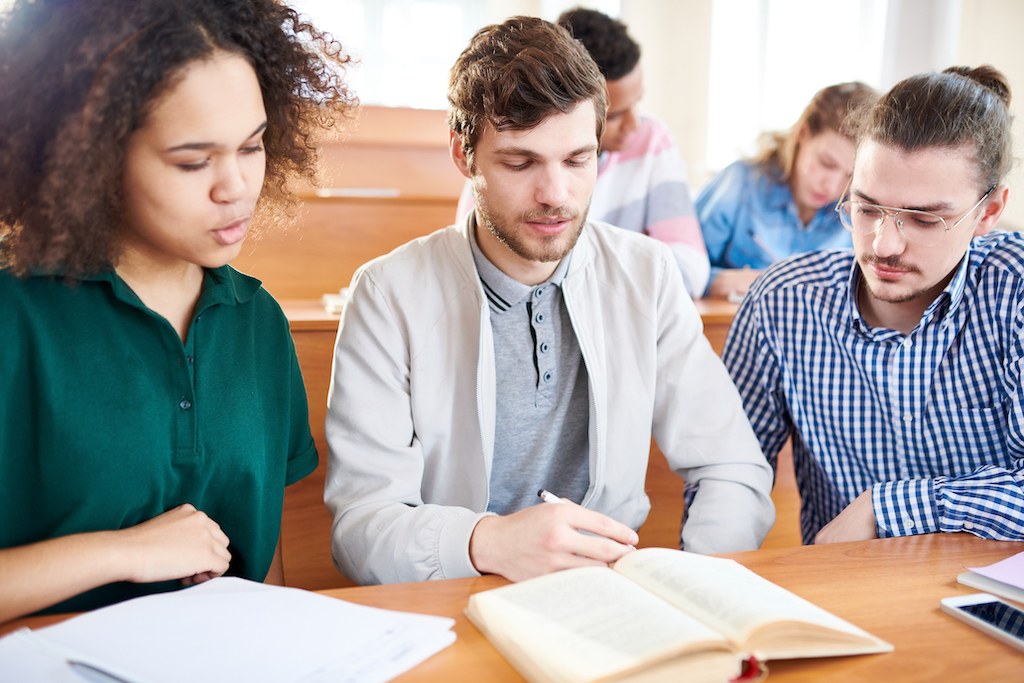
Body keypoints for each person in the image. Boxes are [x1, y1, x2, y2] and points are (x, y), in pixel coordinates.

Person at [324, 16, 774, 586]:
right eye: (520, 162)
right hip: (450, 598)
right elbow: (361, 527)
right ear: (465, 156)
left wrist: (697, 584)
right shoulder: (387, 293)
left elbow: (732, 466)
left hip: (607, 597)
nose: (556, 196)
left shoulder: (648, 274)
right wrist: (488, 542)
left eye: (578, 160)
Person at [0, 0, 354, 622]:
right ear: (94, 161)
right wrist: (125, 552)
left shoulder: (258, 322)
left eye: (252, 146)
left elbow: (261, 563)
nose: (236, 187)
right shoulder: (15, 314)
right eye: (193, 162)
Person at [723, 65, 1024, 545]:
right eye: (866, 208)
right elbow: (730, 471)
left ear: (988, 212)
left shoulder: (1015, 290)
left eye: (924, 219)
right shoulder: (782, 301)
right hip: (842, 599)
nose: (883, 245)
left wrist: (884, 507)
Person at [455, 8, 711, 298]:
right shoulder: (501, 147)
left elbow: (687, 270)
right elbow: (488, 260)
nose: (633, 125)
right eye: (614, 115)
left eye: (577, 159)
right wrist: (639, 259)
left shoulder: (653, 140)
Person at [698, 82, 877, 299]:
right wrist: (715, 281)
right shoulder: (740, 184)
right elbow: (678, 267)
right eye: (826, 163)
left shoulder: (855, 216)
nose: (832, 186)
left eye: (851, 176)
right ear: (803, 133)